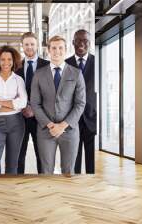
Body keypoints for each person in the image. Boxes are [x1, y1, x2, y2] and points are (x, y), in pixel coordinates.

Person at [30, 36, 86, 175]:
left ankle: (67, 196)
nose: (57, 51)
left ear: (66, 50)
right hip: (45, 131)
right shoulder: (39, 74)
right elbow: (35, 104)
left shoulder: (76, 73)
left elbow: (80, 103)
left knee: (68, 172)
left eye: (60, 48)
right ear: (48, 50)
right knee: (46, 171)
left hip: (69, 131)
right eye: (53, 48)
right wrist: (50, 125)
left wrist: (62, 126)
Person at [0, 46, 27, 174]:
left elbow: (23, 103)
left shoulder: (18, 80)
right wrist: (12, 105)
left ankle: (9, 192)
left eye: (9, 59)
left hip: (16, 124)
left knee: (12, 165)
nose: (6, 62)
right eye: (3, 59)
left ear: (14, 61)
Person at [15, 32, 50, 174]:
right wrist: (22, 107)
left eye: (32, 44)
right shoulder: (16, 66)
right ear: (22, 46)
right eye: (26, 44)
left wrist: (35, 110)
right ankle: (18, 187)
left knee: (42, 156)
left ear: (37, 45)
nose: (29, 47)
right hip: (20, 118)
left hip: (41, 119)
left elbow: (50, 93)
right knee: (18, 156)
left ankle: (43, 186)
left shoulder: (47, 66)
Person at [66, 30, 96, 174]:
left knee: (92, 162)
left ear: (90, 43)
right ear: (73, 42)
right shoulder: (66, 65)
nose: (81, 44)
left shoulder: (98, 62)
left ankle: (92, 189)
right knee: (73, 160)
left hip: (92, 118)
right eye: (78, 40)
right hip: (72, 120)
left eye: (85, 41)